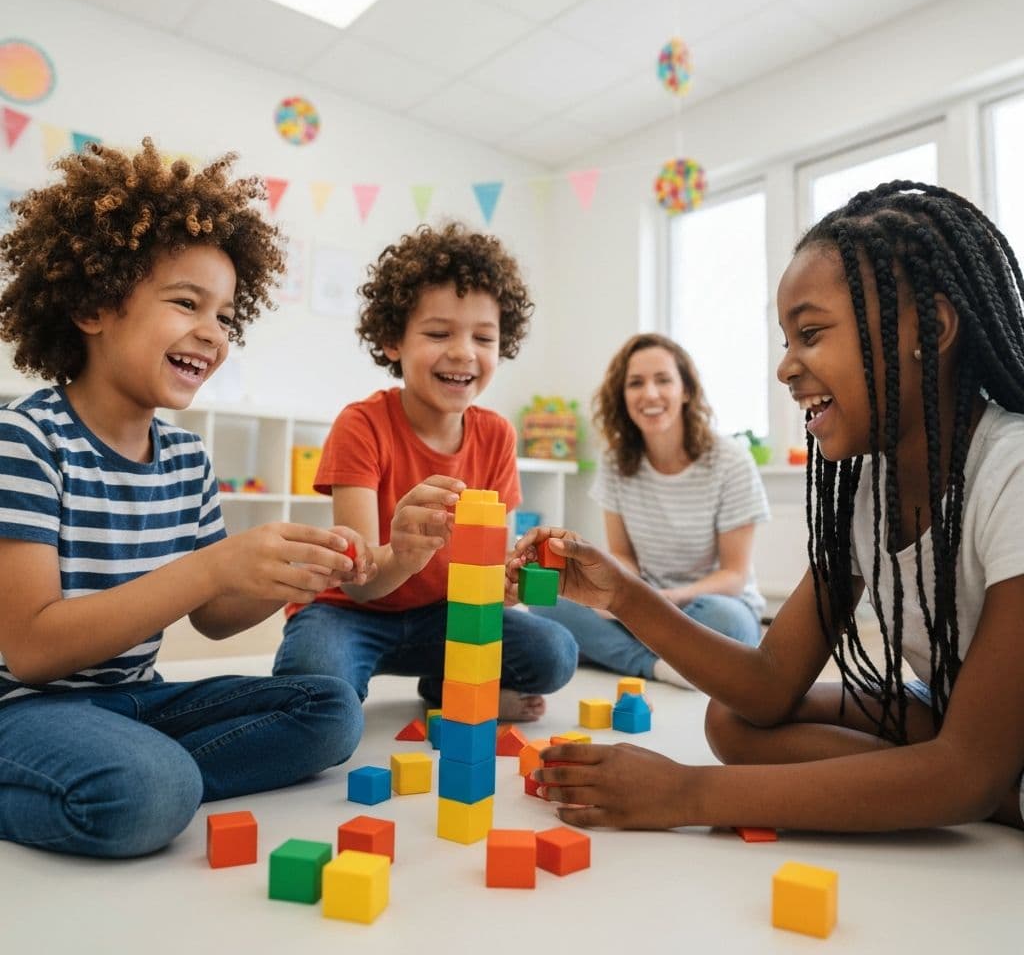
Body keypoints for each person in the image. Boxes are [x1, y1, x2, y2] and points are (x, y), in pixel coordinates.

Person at [517, 181, 1024, 833]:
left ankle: (966, 784)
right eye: (786, 340)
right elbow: (767, 685)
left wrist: (689, 795)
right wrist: (622, 595)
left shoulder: (1010, 468)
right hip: (952, 713)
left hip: (974, 734)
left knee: (962, 773)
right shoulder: (868, 488)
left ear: (931, 329)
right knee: (731, 719)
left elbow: (965, 764)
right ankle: (959, 782)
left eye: (810, 334)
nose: (786, 368)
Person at [0, 139, 369, 858]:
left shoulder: (188, 457)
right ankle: (136, 786)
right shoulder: (23, 440)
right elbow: (33, 649)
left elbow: (218, 620)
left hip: (132, 701)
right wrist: (211, 567)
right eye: (186, 303)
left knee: (330, 710)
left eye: (227, 315)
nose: (213, 333)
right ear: (94, 305)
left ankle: (130, 782)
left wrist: (294, 573)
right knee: (150, 789)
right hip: (22, 709)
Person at [273, 223, 577, 723]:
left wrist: (512, 577)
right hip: (351, 614)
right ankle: (390, 679)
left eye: (484, 337)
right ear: (394, 340)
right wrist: (403, 553)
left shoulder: (497, 435)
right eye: (438, 333)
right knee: (316, 688)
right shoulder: (361, 424)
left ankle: (444, 685)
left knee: (555, 651)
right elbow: (358, 581)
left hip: (445, 617)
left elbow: (492, 565)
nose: (463, 352)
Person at [531, 334, 767, 688]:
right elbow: (623, 557)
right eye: (636, 383)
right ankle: (659, 665)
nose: (650, 394)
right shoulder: (615, 461)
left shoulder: (730, 459)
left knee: (728, 624)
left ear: (686, 390)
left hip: (710, 605)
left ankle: (624, 652)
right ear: (622, 396)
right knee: (545, 602)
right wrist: (613, 595)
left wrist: (668, 600)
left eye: (663, 380)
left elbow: (733, 576)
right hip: (643, 604)